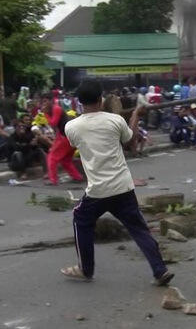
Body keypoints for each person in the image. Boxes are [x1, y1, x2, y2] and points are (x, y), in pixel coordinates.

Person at [60, 80, 173, 286]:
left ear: (78, 102)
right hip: (122, 186)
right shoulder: (115, 120)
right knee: (139, 228)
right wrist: (135, 117)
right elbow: (131, 142)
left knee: (80, 219)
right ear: (100, 99)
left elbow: (80, 141)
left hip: (98, 190)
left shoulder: (72, 127)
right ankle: (160, 269)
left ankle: (86, 269)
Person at [43, 94, 83, 186]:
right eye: (43, 102)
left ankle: (53, 179)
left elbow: (53, 123)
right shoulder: (53, 109)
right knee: (65, 160)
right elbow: (58, 127)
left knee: (52, 157)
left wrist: (45, 113)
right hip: (69, 136)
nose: (44, 104)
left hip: (67, 137)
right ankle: (77, 177)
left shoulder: (56, 108)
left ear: (51, 100)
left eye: (46, 101)